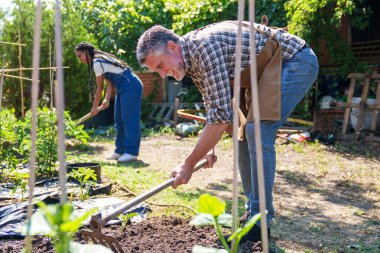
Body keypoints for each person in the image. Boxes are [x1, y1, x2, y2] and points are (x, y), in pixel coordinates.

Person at [136, 21, 319, 243]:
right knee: (241, 131)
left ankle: (260, 222)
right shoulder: (191, 58)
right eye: (158, 71)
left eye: (161, 66)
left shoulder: (204, 48)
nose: (163, 75)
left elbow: (220, 116)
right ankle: (253, 215)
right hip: (270, 70)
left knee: (257, 130)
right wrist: (207, 150)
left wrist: (189, 163)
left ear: (173, 47)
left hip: (295, 61)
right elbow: (217, 107)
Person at [75, 42, 143, 162]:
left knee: (129, 119)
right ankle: (120, 150)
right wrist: (106, 99)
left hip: (131, 85)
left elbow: (99, 87)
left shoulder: (97, 62)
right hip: (123, 87)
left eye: (80, 56)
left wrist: (94, 108)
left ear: (86, 51)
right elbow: (109, 84)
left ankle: (131, 152)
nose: (80, 60)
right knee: (118, 120)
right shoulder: (100, 61)